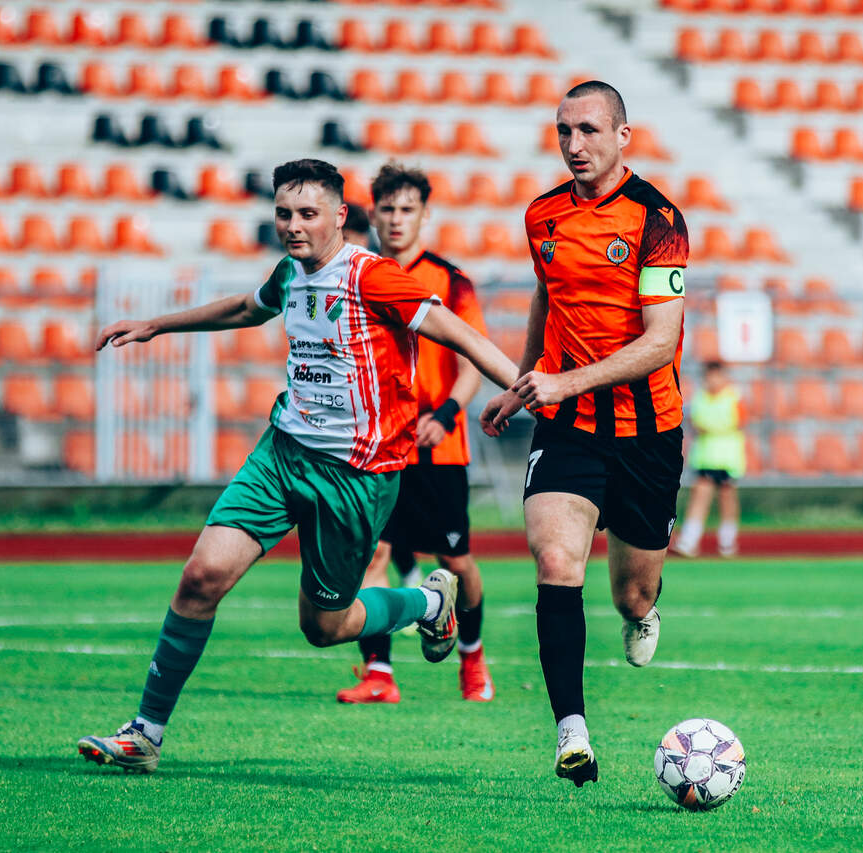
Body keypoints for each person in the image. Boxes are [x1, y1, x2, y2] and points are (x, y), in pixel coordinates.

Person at [77, 158, 519, 774]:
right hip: (282, 455)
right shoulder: (291, 272)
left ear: (340, 216)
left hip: (355, 477)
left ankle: (425, 604)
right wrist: (157, 325)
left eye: (308, 214)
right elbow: (246, 308)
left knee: (324, 627)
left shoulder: (374, 277)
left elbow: (461, 335)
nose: (293, 225)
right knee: (200, 577)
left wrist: (531, 393)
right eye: (284, 213)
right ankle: (145, 734)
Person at [480, 81, 688, 787]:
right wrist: (523, 384)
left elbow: (660, 343)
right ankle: (572, 730)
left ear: (623, 136)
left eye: (590, 130)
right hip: (567, 428)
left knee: (631, 595)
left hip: (647, 431)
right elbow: (549, 295)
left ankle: (642, 612)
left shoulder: (659, 219)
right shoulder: (541, 214)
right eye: (564, 131)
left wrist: (565, 381)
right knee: (556, 559)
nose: (574, 144)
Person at [336, 163, 495, 705]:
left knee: (456, 561)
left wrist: (447, 413)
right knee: (372, 557)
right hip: (377, 445)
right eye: (388, 209)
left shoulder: (451, 280)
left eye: (408, 209)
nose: (397, 219)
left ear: (425, 215)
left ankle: (472, 658)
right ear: (373, 214)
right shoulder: (356, 274)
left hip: (439, 445)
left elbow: (472, 359)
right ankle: (379, 674)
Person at [671, 361, 746, 558]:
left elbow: (739, 421)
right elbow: (696, 423)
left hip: (728, 458)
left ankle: (727, 542)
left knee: (727, 499)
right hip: (705, 457)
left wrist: (711, 427)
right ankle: (689, 541)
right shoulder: (700, 397)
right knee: (700, 496)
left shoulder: (733, 397)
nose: (712, 380)